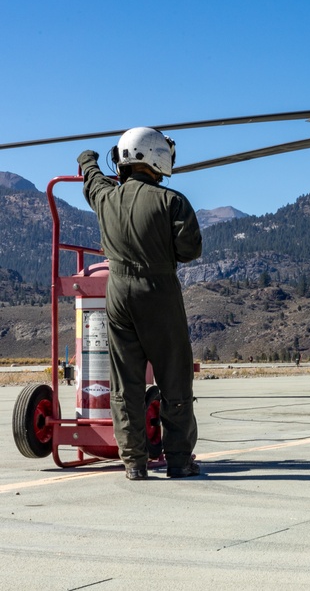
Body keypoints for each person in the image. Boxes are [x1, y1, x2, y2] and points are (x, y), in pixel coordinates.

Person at [78, 127, 203, 480]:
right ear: (154, 157)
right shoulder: (171, 201)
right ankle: (178, 460)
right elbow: (190, 249)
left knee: (126, 380)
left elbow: (92, 178)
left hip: (117, 295)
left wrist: (87, 159)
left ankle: (134, 462)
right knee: (174, 377)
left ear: (122, 159)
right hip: (158, 290)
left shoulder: (105, 198)